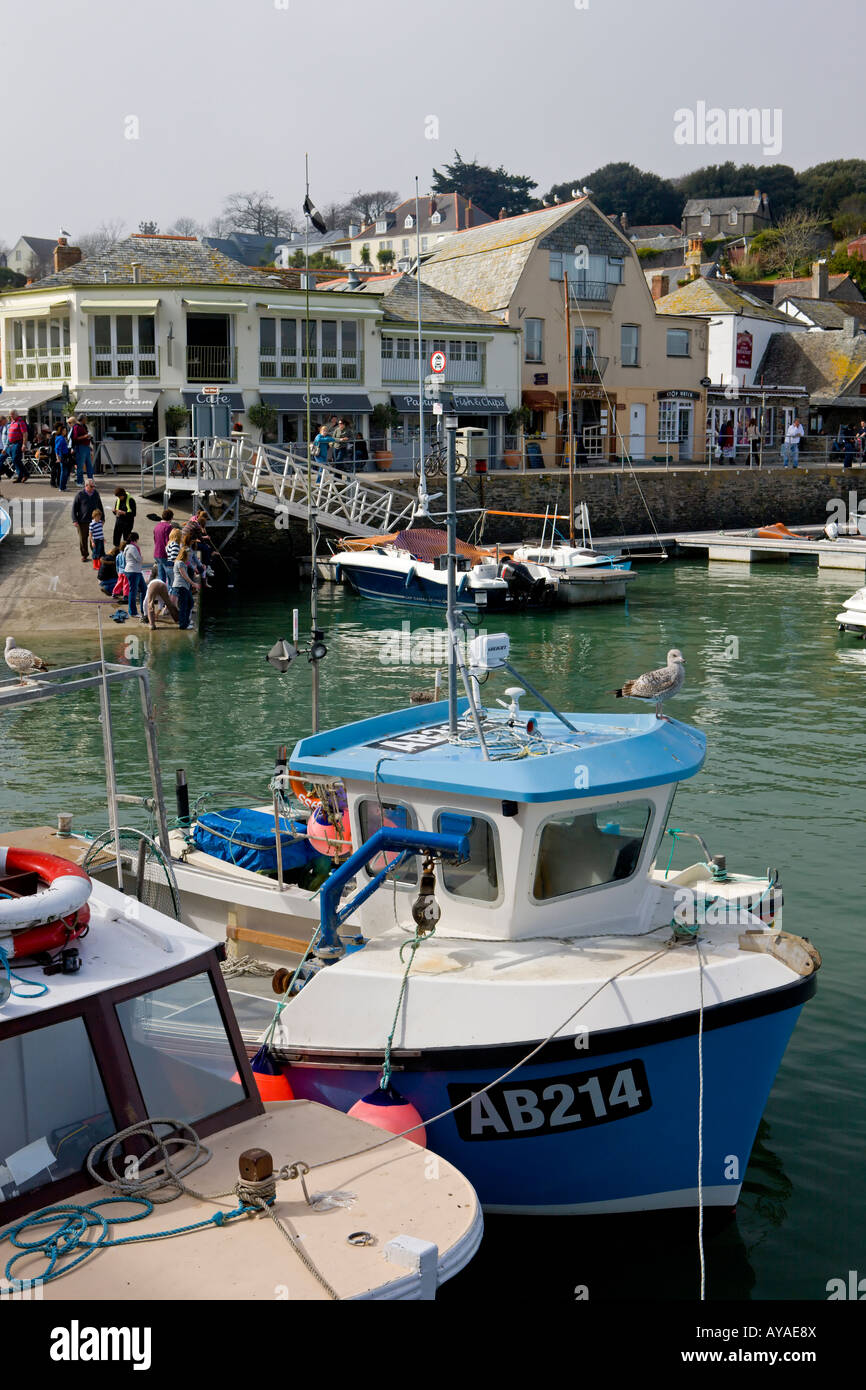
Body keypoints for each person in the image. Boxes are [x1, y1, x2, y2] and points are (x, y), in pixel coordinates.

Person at [71, 479, 103, 560]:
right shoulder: (80, 494)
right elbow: (74, 508)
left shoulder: (96, 493)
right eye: (91, 486)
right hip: (82, 521)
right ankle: (84, 555)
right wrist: (74, 520)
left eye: (94, 486)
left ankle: (95, 554)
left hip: (94, 521)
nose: (93, 488)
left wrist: (102, 518)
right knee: (83, 539)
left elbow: (100, 506)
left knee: (94, 538)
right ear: (86, 486)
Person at [170, 544, 199, 630]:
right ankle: (183, 625)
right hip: (180, 586)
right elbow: (184, 576)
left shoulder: (181, 562)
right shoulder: (180, 563)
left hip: (184, 587)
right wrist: (194, 584)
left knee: (190, 603)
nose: (189, 557)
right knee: (184, 606)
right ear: (184, 555)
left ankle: (186, 621)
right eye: (188, 555)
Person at [123, 531, 145, 616]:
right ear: (136, 539)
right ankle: (133, 612)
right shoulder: (133, 547)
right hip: (133, 571)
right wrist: (141, 558)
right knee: (133, 591)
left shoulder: (128, 547)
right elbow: (138, 559)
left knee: (144, 589)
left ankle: (143, 610)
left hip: (134, 571)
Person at [152, 508, 175, 585]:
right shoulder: (168, 527)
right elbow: (168, 542)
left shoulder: (157, 526)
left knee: (161, 577)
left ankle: (161, 594)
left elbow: (155, 540)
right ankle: (170, 594)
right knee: (171, 577)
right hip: (165, 555)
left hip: (157, 554)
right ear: (171, 518)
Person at [69, 415, 94, 484]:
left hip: (86, 446)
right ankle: (79, 482)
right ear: (82, 419)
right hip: (80, 447)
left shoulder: (83, 426)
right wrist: (85, 436)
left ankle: (90, 481)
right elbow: (75, 438)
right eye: (85, 419)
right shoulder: (76, 427)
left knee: (89, 465)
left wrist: (88, 438)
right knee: (80, 465)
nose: (86, 420)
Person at [6, 410, 29, 483]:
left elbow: (25, 434)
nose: (11, 416)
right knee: (15, 460)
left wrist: (24, 444)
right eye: (10, 415)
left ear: (16, 414)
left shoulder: (20, 422)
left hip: (18, 443)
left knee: (16, 459)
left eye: (12, 415)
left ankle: (24, 474)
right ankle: (22, 475)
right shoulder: (13, 422)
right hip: (12, 444)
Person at [55, 424, 72, 491]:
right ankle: (62, 487)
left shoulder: (61, 438)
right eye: (64, 430)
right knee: (64, 472)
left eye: (65, 430)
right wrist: (58, 457)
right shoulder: (60, 438)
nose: (65, 432)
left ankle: (63, 486)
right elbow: (57, 448)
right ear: (61, 431)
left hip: (64, 455)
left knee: (65, 472)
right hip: (63, 455)